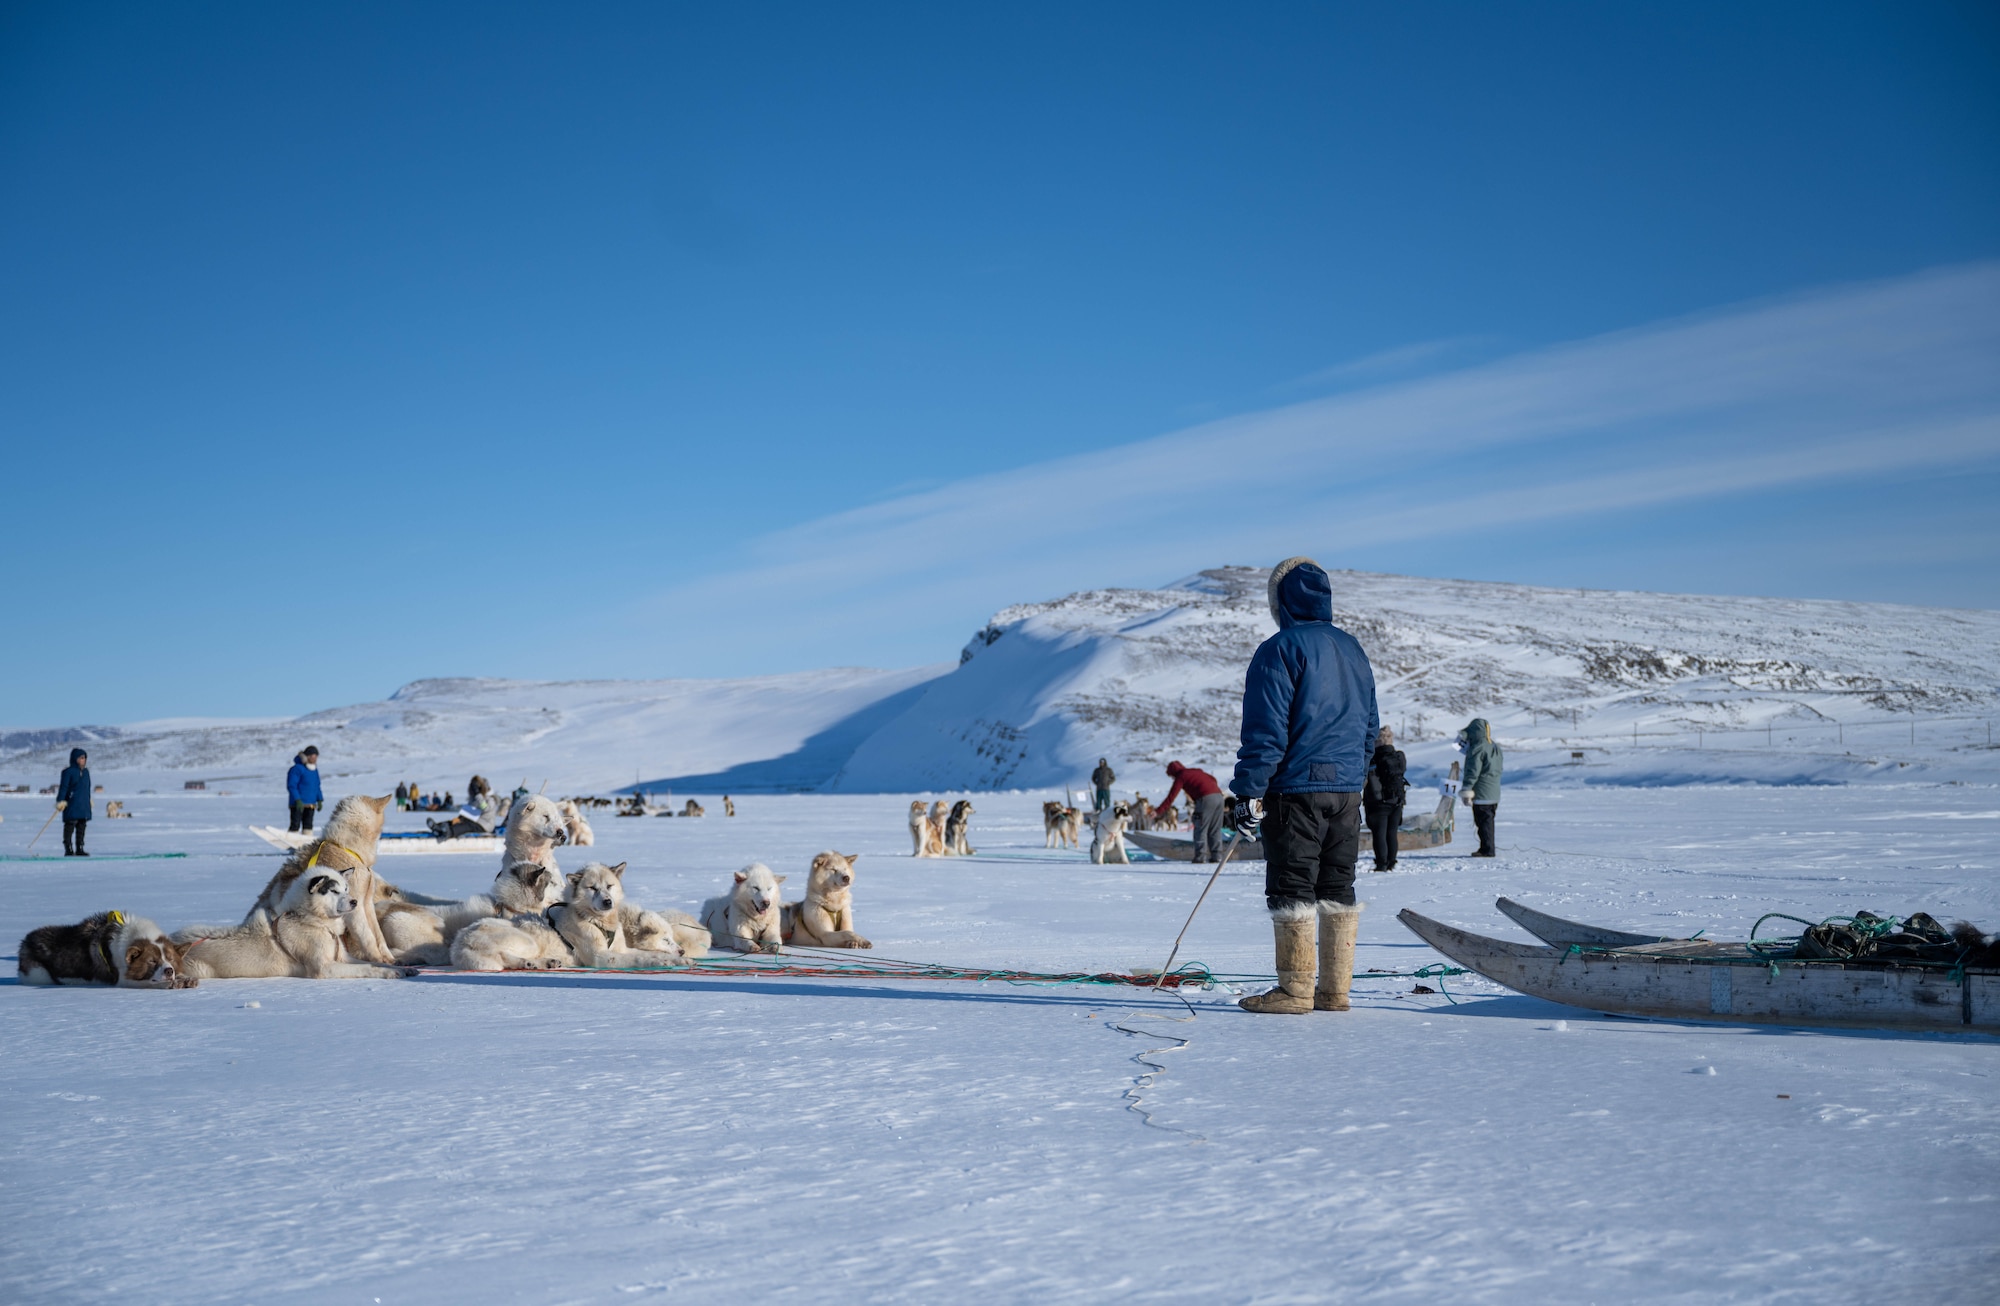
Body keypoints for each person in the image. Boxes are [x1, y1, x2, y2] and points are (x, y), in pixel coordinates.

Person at [1229, 556, 1379, 1016]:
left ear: (1282, 602)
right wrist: (1354, 773)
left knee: (1293, 883)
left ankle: (1295, 991)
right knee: (1337, 884)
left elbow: (1265, 730)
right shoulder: (1353, 649)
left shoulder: (1279, 649)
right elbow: (1370, 725)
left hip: (1295, 788)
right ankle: (1335, 991)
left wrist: (1249, 790)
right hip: (1347, 791)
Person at [1158, 760, 1225, 861]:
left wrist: (1158, 811)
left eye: (1171, 776)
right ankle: (1217, 856)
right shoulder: (1196, 771)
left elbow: (1171, 796)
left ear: (1173, 773)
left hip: (1205, 798)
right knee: (1215, 828)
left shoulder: (1181, 776)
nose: (1172, 779)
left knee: (1200, 827)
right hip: (1219, 797)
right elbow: (1213, 779)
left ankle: (1200, 857)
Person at [1363, 726, 1407, 872]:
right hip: (1397, 800)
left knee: (1379, 834)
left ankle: (1381, 864)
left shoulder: (1373, 757)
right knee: (1392, 832)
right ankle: (1391, 862)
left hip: (1378, 802)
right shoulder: (1399, 756)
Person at [1458, 718, 1503, 857]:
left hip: (1482, 792)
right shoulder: (1494, 746)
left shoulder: (1477, 748)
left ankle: (1487, 850)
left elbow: (1473, 771)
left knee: (1483, 823)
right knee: (1488, 822)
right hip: (1493, 793)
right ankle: (1487, 847)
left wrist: (1467, 789)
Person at [55, 747, 92, 856]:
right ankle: (68, 848)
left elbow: (87, 788)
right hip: (72, 804)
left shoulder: (86, 772)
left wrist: (89, 800)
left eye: (84, 758)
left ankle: (80, 848)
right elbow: (64, 787)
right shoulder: (68, 772)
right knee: (70, 826)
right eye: (81, 758)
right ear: (75, 759)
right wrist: (61, 801)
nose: (83, 760)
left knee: (82, 826)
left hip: (83, 804)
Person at [286, 746, 323, 833]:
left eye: (315, 757)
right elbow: (292, 785)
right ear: (306, 756)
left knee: (308, 824)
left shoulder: (314, 770)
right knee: (295, 823)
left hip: (311, 804)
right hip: (298, 803)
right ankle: (292, 837)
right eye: (312, 756)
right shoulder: (297, 769)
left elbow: (317, 786)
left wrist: (319, 799)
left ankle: (307, 839)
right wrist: (297, 799)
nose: (314, 759)